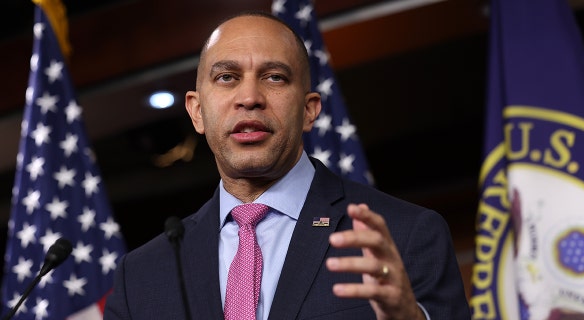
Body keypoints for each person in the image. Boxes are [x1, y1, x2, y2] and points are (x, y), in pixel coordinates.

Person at [104, 11, 470, 320]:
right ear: (197, 111)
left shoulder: (404, 235)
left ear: (310, 110)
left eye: (274, 77)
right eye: (227, 77)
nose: (249, 98)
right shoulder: (141, 277)